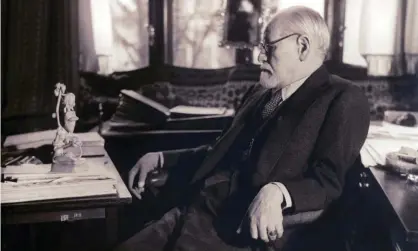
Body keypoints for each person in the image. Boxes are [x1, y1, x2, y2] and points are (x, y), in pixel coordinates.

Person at [116, 6, 370, 251]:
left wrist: (278, 192)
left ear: (302, 46)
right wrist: (161, 158)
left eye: (269, 47)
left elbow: (328, 182)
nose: (260, 56)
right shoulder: (260, 93)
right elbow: (220, 152)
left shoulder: (341, 98)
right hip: (190, 212)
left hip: (238, 233)